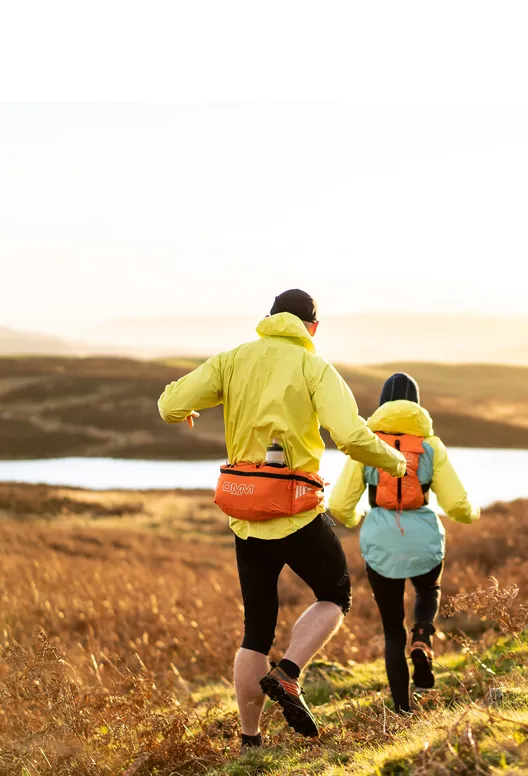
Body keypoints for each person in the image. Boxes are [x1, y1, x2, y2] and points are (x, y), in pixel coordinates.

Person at [157, 289, 406, 751]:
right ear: (312, 327)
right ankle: (289, 673)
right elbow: (351, 435)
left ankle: (249, 741)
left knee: (256, 631)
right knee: (334, 595)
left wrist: (186, 409)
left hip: (246, 516)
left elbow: (169, 405)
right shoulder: (314, 367)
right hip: (295, 511)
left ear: (269, 319)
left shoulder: (232, 360)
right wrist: (393, 463)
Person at [329, 372, 479, 713]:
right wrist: (472, 512)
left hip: (380, 542)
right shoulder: (431, 446)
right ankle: (423, 636)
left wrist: (356, 521)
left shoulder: (365, 445)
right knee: (428, 590)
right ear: (417, 405)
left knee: (392, 628)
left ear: (382, 405)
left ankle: (402, 709)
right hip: (423, 536)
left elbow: (339, 505)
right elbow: (456, 504)